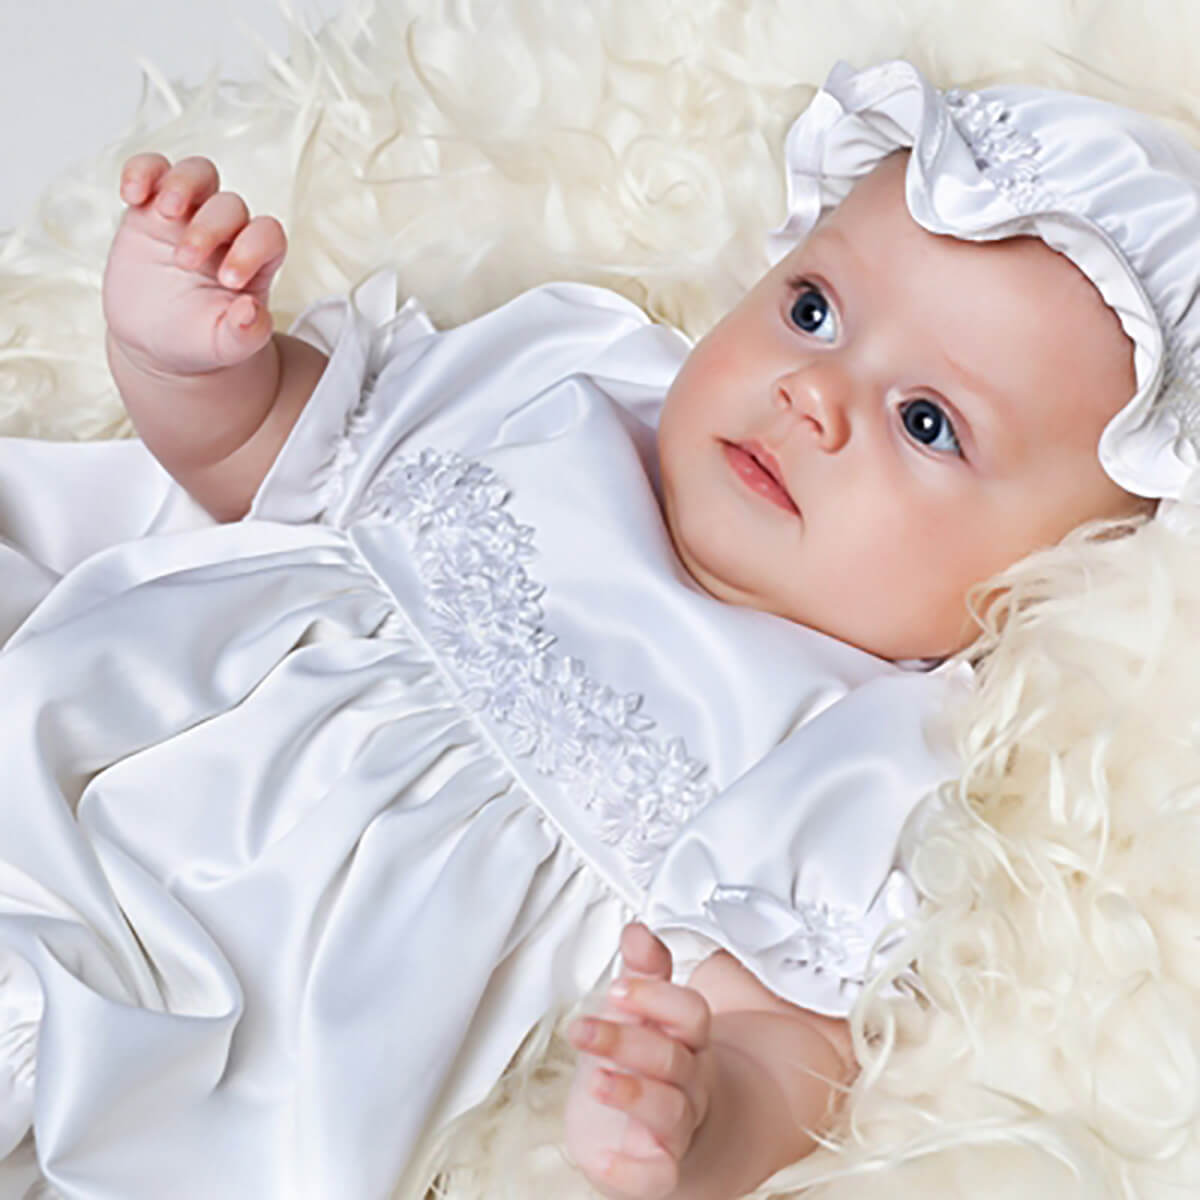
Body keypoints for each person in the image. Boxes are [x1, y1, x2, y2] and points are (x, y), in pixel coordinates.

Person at [0, 56, 1195, 1200]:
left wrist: (697, 1115)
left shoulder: (863, 739)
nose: (811, 395)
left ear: (1041, 575)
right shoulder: (562, 380)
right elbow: (255, 457)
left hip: (260, 1038)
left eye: (928, 422)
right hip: (75, 764)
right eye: (816, 309)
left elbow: (791, 1040)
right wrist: (182, 361)